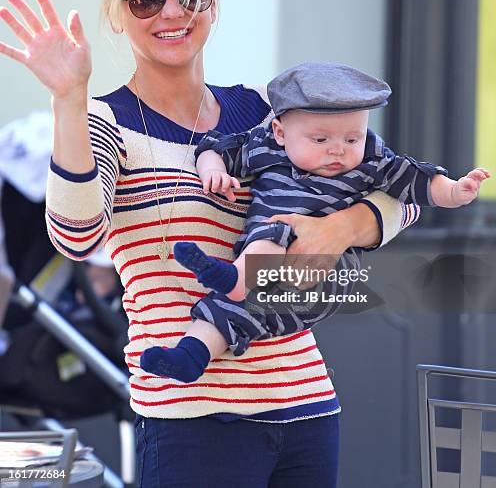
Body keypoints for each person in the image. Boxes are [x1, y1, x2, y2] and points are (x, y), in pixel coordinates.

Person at [0, 0, 421, 488]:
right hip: (192, 420)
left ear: (213, 3)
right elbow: (75, 237)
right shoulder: (105, 122)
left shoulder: (263, 112)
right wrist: (68, 101)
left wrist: (343, 229)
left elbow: (405, 193)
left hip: (308, 406)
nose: (172, 12)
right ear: (117, 14)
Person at [144, 61, 490, 383]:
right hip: (269, 272)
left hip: (327, 274)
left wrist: (455, 191)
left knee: (275, 228)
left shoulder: (371, 161)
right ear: (279, 133)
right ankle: (189, 357)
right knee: (235, 310)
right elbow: (215, 149)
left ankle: (236, 277)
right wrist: (214, 172)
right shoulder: (266, 148)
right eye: (321, 140)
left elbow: (414, 183)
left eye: (351, 138)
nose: (338, 150)